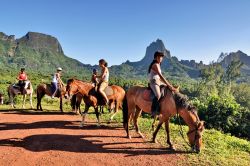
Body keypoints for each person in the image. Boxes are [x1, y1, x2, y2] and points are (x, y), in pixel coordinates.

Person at [148, 51, 178, 116]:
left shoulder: (158, 65)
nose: (161, 58)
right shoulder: (155, 65)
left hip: (158, 81)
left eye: (161, 57)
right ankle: (153, 111)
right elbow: (161, 76)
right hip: (154, 82)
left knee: (168, 89)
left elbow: (160, 78)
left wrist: (170, 86)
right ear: (155, 58)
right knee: (158, 95)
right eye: (159, 57)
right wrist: (169, 85)